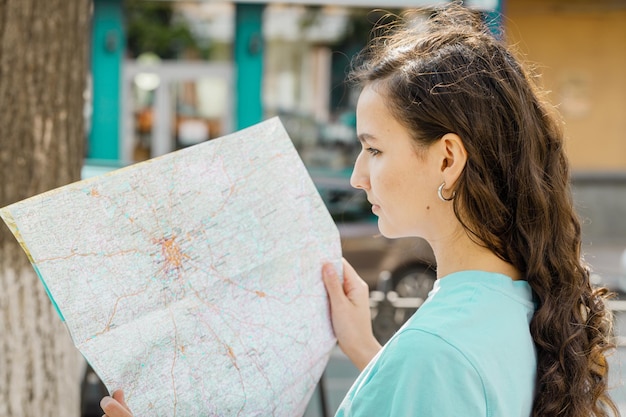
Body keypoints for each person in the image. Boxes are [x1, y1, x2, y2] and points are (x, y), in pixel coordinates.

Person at [101, 3, 618, 417]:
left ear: (447, 158)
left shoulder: (434, 354)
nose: (356, 175)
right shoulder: (517, 304)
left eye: (373, 149)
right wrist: (368, 352)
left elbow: (437, 378)